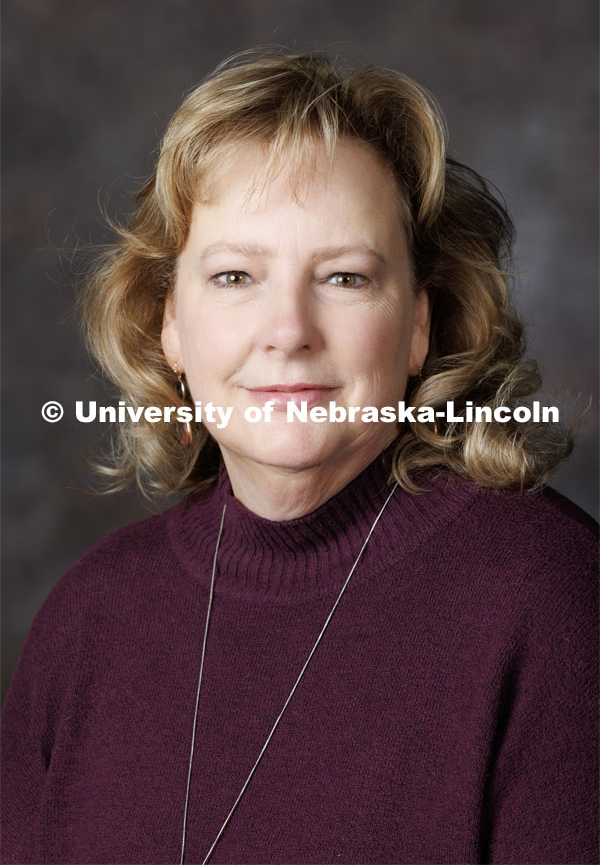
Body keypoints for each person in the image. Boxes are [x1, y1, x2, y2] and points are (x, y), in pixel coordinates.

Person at [1, 50, 597, 865]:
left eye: (345, 278)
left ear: (420, 325)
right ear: (168, 321)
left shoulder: (551, 598)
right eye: (236, 274)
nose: (288, 330)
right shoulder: (89, 619)